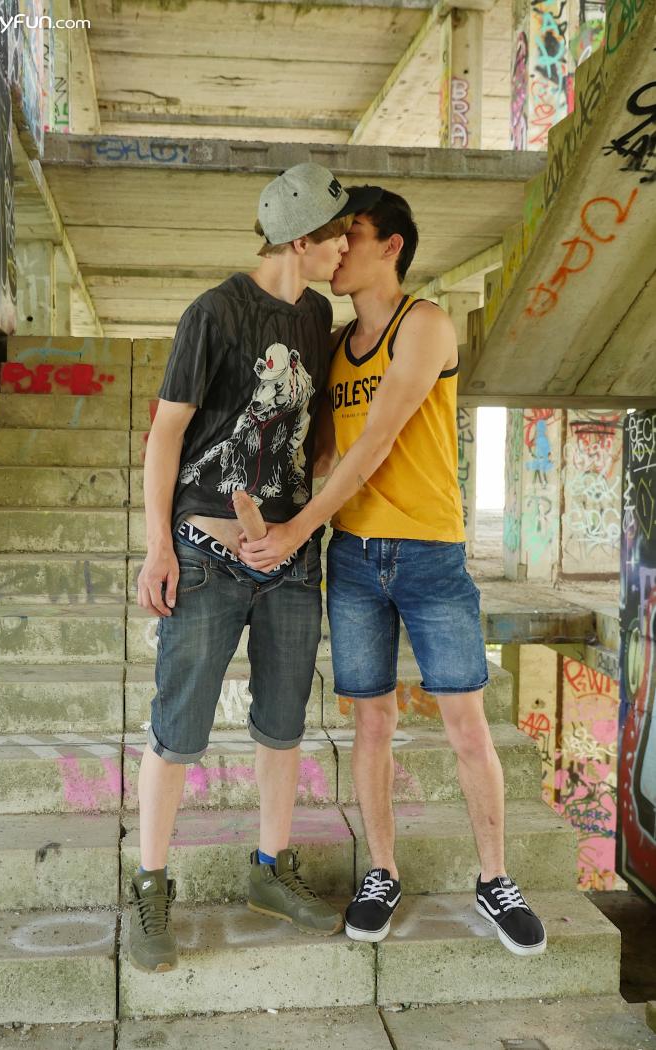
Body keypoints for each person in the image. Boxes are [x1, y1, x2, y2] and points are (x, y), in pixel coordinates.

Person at [240, 188, 547, 956]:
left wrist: (297, 529)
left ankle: (495, 877)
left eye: (354, 234)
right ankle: (382, 871)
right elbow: (322, 451)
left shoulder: (426, 325)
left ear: (392, 247)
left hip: (430, 556)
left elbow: (376, 440)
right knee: (371, 723)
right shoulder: (334, 343)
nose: (339, 248)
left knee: (465, 724)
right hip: (353, 558)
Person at [131, 163, 382, 973]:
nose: (345, 248)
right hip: (206, 559)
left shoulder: (315, 316)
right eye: (338, 235)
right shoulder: (214, 313)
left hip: (290, 563)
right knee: (178, 731)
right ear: (302, 239)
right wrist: (159, 545)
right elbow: (167, 435)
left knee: (282, 725)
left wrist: (302, 521)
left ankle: (271, 870)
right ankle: (151, 886)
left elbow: (311, 432)